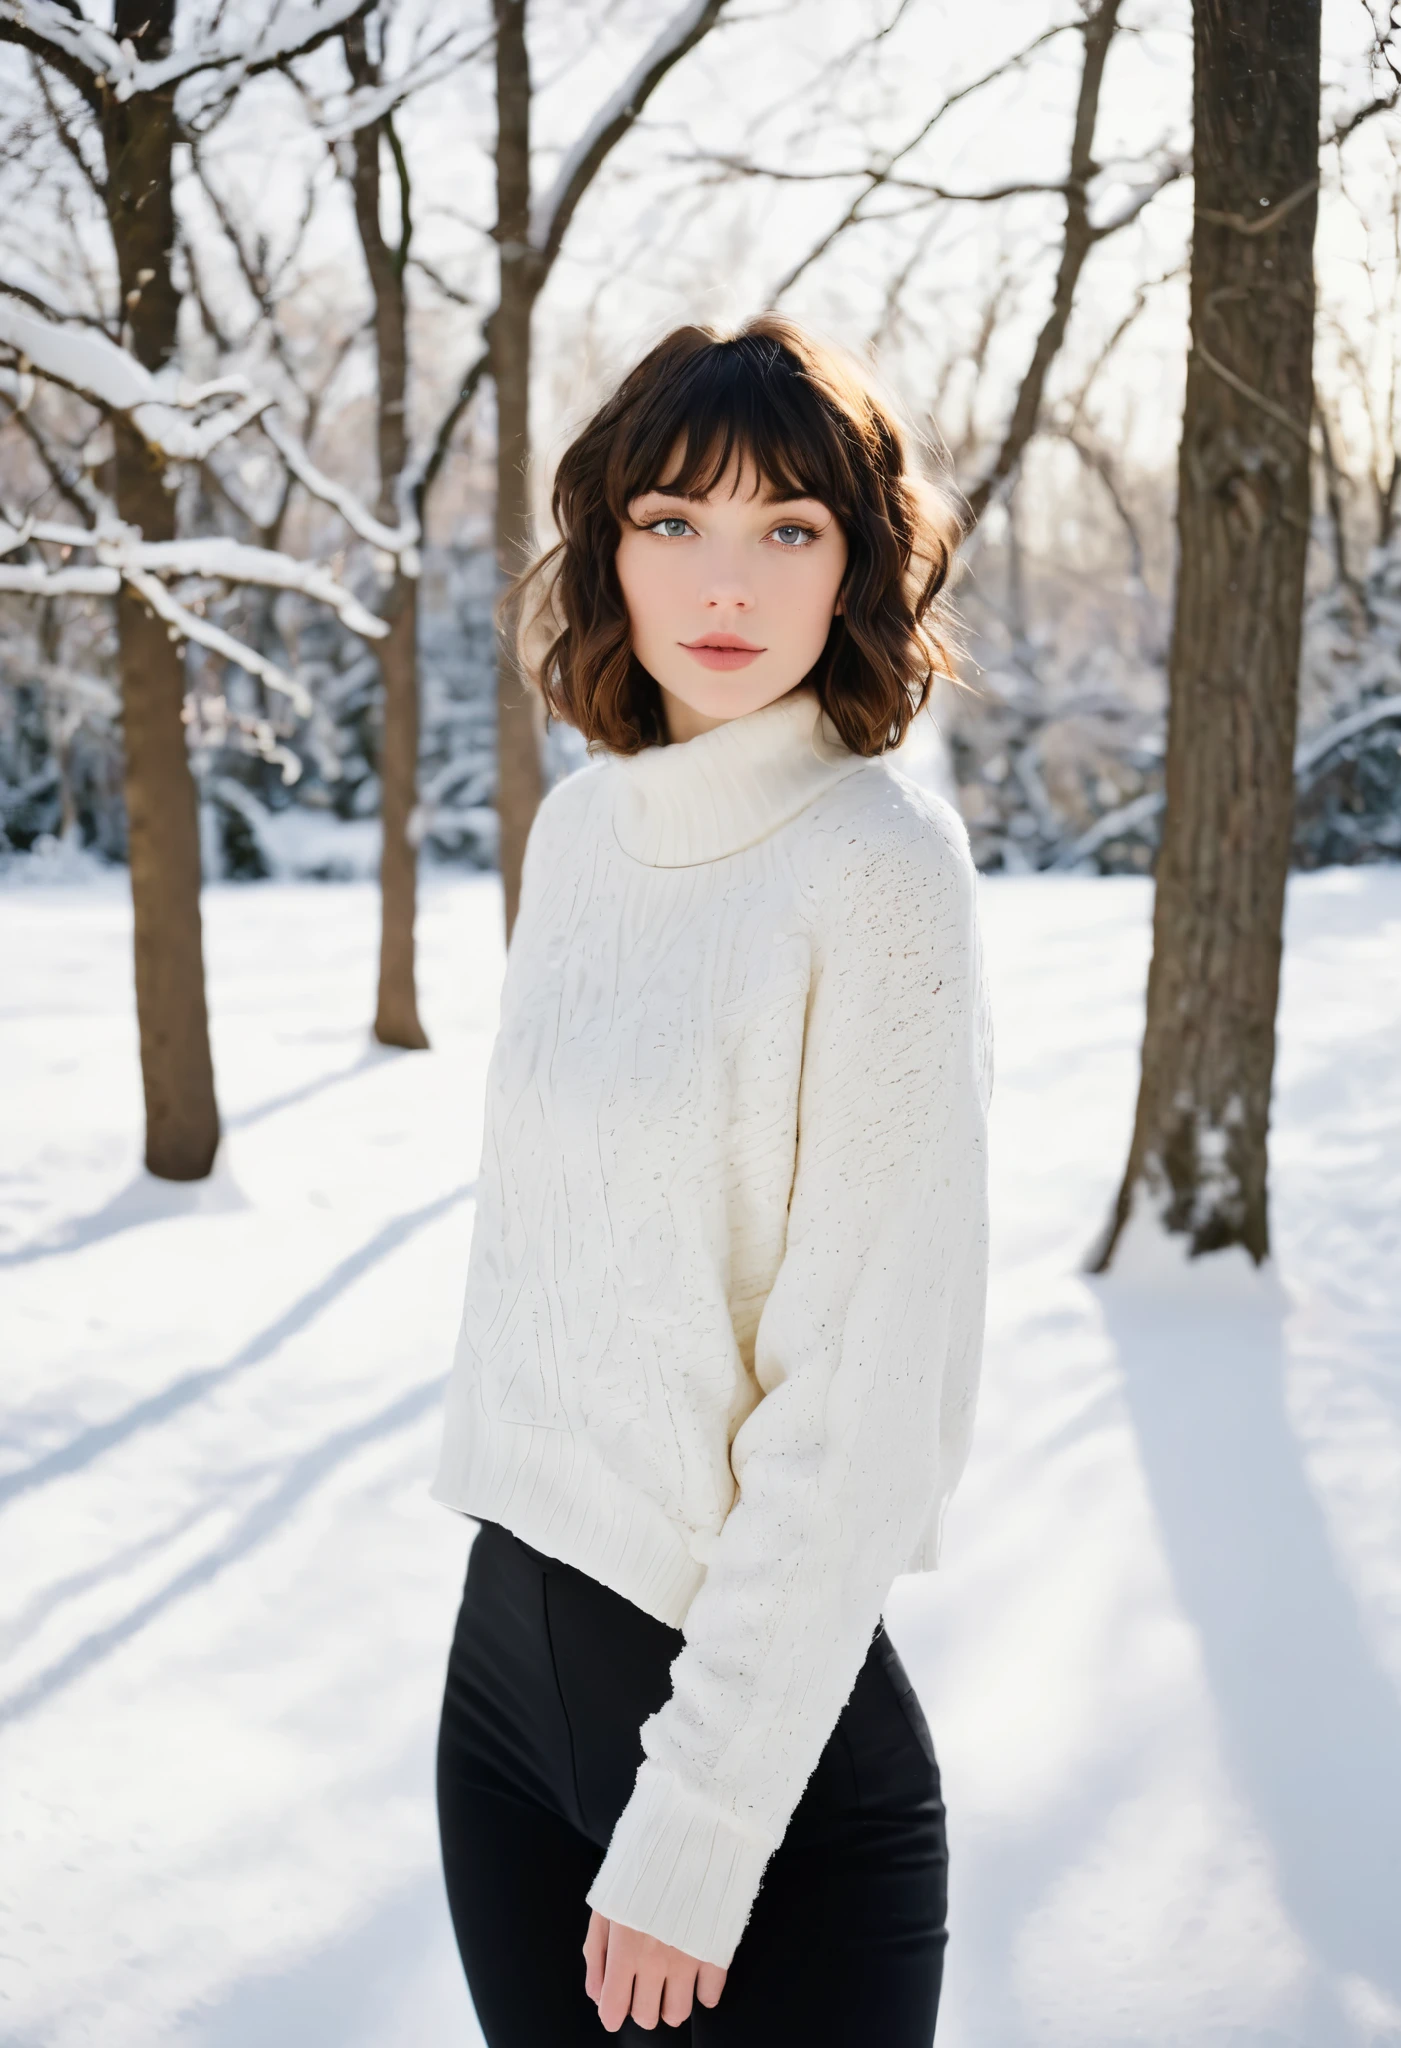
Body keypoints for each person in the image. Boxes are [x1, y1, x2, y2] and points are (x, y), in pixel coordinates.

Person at [432, 316, 992, 2045]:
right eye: (673, 521)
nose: (724, 580)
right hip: (504, 1696)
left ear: (859, 568)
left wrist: (701, 1826)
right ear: (607, 547)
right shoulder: (585, 832)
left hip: (757, 1766)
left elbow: (861, 1410)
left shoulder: (878, 874)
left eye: (790, 528)